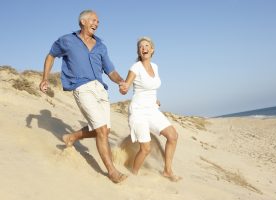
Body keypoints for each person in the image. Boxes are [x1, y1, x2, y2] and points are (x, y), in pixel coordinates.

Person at [39, 10, 127, 183]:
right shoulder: (67, 40)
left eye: (98, 21)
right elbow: (51, 55)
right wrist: (45, 78)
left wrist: (121, 81)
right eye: (94, 20)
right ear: (83, 22)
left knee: (104, 130)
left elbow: (111, 70)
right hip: (82, 87)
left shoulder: (101, 45)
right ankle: (112, 171)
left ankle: (71, 137)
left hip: (100, 89)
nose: (97, 23)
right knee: (101, 130)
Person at [119, 37, 181, 181]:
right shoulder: (136, 67)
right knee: (145, 149)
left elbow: (151, 88)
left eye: (147, 45)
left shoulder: (155, 66)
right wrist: (123, 87)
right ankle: (133, 174)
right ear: (139, 51)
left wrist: (154, 101)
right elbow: (126, 87)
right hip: (138, 111)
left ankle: (167, 170)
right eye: (141, 46)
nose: (144, 48)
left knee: (173, 136)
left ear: (152, 50)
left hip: (152, 109)